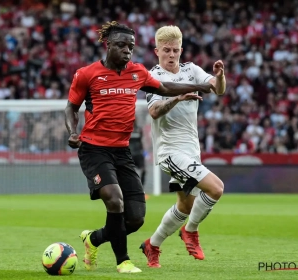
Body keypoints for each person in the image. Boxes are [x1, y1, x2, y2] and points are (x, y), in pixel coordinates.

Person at [64, 21, 216, 274]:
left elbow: (165, 87)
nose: (127, 50)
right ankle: (123, 261)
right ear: (108, 45)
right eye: (121, 45)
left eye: (131, 46)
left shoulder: (137, 72)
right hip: (94, 149)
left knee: (134, 219)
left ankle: (93, 239)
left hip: (122, 151)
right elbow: (71, 107)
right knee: (114, 200)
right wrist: (72, 132)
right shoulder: (87, 74)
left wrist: (199, 86)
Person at [139, 25, 226, 268]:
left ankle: (152, 245)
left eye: (175, 50)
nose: (171, 55)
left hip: (190, 150)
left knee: (186, 204)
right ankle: (191, 231)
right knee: (216, 189)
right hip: (169, 151)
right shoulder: (153, 77)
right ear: (157, 51)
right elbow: (154, 111)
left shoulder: (192, 70)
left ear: (181, 50)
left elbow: (218, 90)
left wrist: (219, 76)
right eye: (166, 50)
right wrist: (177, 98)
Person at [129, 121, 146, 186]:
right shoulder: (127, 129)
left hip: (139, 154)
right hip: (130, 154)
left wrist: (142, 151)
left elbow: (141, 141)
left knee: (143, 170)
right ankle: (131, 188)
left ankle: (142, 188)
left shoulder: (139, 129)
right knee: (130, 172)